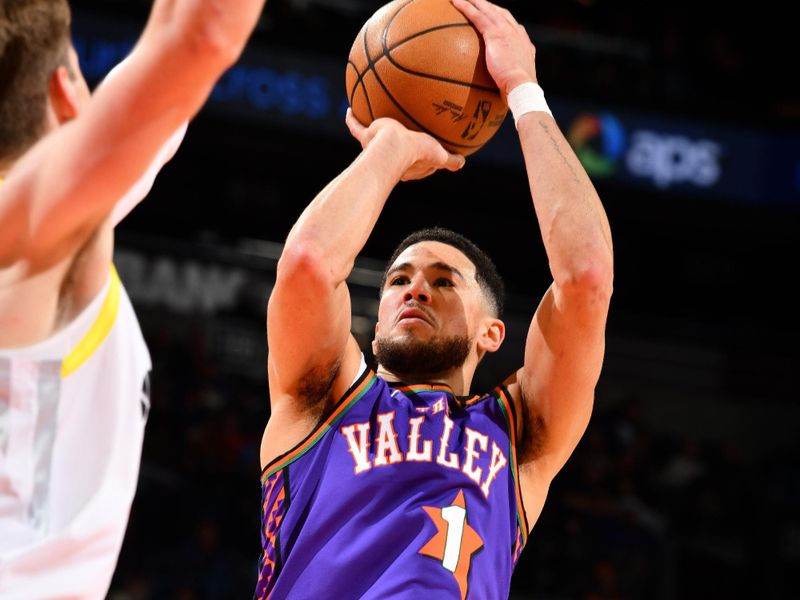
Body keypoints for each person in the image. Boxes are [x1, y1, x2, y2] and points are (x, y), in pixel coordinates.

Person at [257, 0, 613, 597]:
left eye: (445, 281)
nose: (415, 287)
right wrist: (391, 147)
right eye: (397, 280)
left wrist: (523, 90)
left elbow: (587, 278)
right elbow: (308, 266)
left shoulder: (519, 437)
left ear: (491, 333)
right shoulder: (324, 402)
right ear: (374, 325)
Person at [0, 0, 266, 597]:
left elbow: (172, 54)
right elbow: (201, 36)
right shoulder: (43, 231)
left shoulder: (59, 224)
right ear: (65, 91)